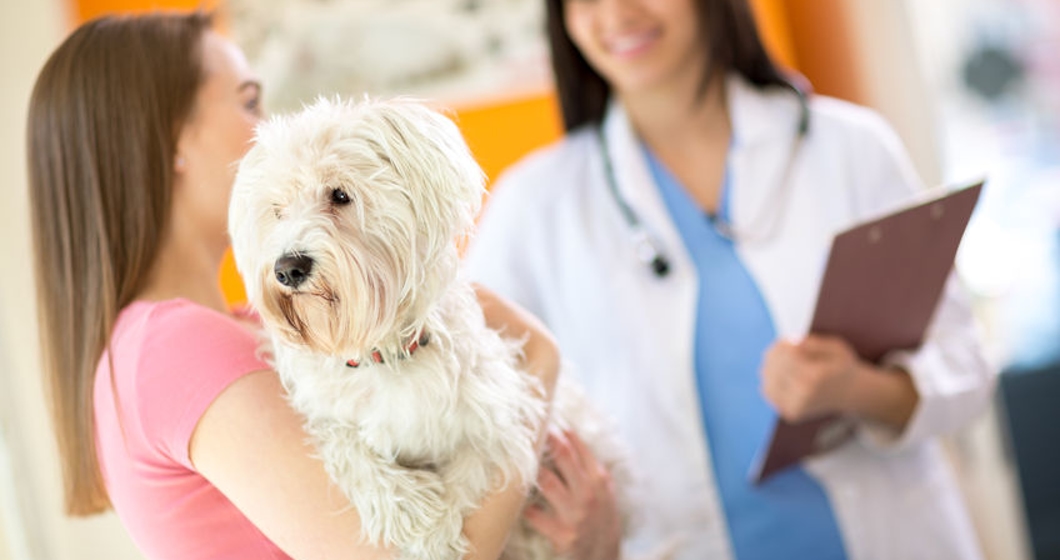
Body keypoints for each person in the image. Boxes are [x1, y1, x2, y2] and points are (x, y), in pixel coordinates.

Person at [27, 11, 568, 559]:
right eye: (247, 102)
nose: (270, 125)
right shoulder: (174, 347)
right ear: (170, 140)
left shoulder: (243, 328)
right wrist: (540, 363)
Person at [466, 0, 995, 558]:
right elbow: (461, 402)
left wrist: (855, 389)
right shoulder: (534, 205)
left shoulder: (848, 147)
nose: (617, 13)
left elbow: (964, 365)